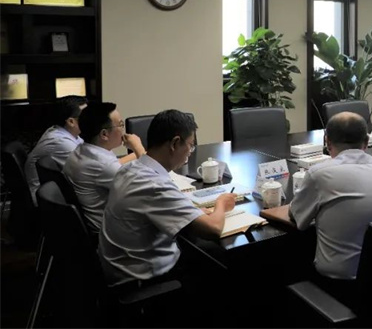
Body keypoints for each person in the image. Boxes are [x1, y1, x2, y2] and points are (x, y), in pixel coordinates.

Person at [99, 110, 235, 286]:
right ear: (175, 143)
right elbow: (213, 229)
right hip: (142, 279)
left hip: (119, 266)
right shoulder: (155, 185)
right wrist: (221, 203)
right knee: (226, 260)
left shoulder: (129, 169)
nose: (190, 152)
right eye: (190, 145)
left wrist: (192, 213)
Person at [264, 112, 372, 281]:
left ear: (327, 142)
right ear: (366, 141)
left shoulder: (319, 174)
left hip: (337, 281)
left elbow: (297, 217)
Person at [63, 102, 147, 231]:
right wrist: (138, 147)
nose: (123, 130)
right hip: (112, 231)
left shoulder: (82, 150)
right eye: (121, 125)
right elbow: (151, 185)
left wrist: (140, 153)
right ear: (104, 134)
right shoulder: (104, 166)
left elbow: (114, 165)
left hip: (96, 220)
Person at [24, 95, 87, 204]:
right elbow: (88, 172)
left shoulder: (62, 131)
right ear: (71, 121)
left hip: (55, 191)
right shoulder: (61, 142)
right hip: (47, 199)